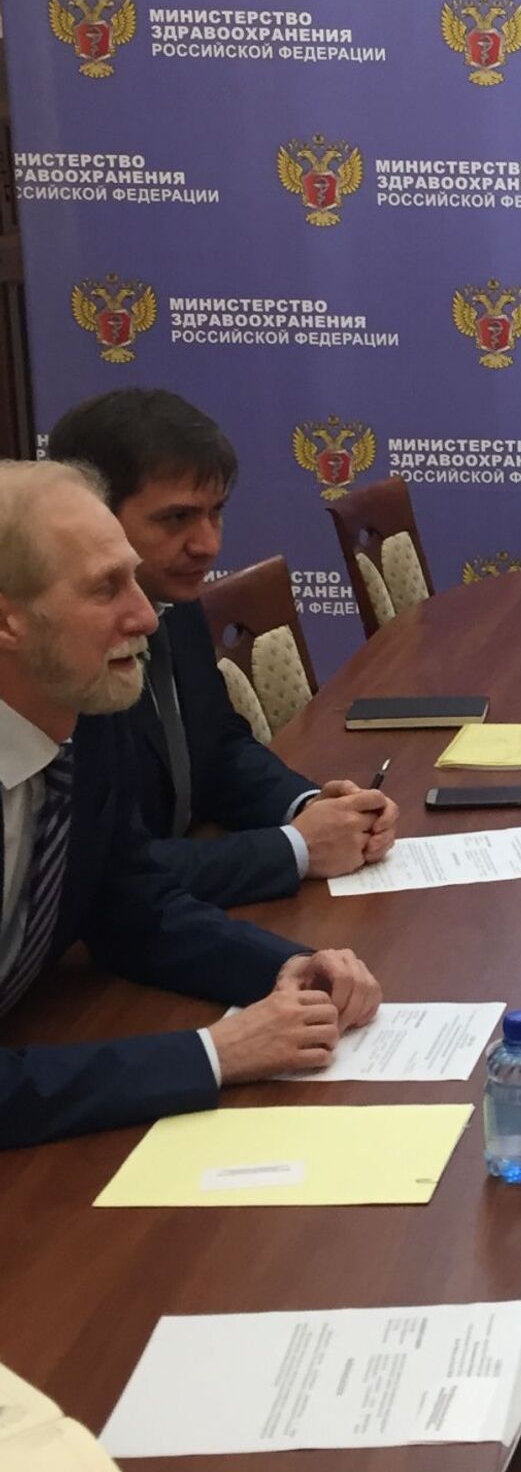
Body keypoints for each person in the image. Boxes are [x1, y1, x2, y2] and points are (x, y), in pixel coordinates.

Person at [0, 460, 382, 1149]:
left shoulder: (86, 713)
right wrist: (213, 1054)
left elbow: (131, 906)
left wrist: (285, 968)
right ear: (8, 621)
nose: (147, 617)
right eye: (105, 589)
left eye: (133, 579)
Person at [47, 388, 396, 907]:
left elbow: (218, 747)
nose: (208, 544)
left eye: (216, 513)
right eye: (176, 519)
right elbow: (98, 874)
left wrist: (308, 806)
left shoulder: (172, 598)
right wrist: (295, 849)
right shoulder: (52, 653)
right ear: (91, 516)